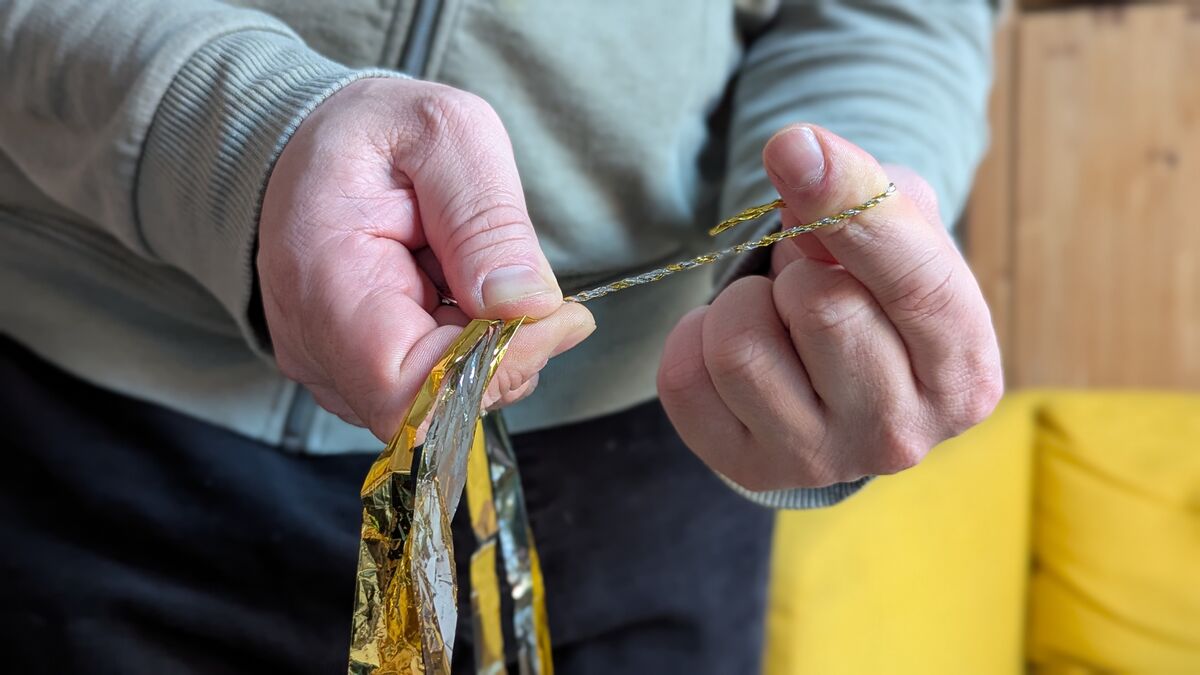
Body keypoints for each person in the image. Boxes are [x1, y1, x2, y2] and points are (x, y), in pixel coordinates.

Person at [0, 1, 1002, 672]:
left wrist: (848, 221)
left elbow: (889, 17)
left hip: (643, 454)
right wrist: (230, 130)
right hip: (80, 434)